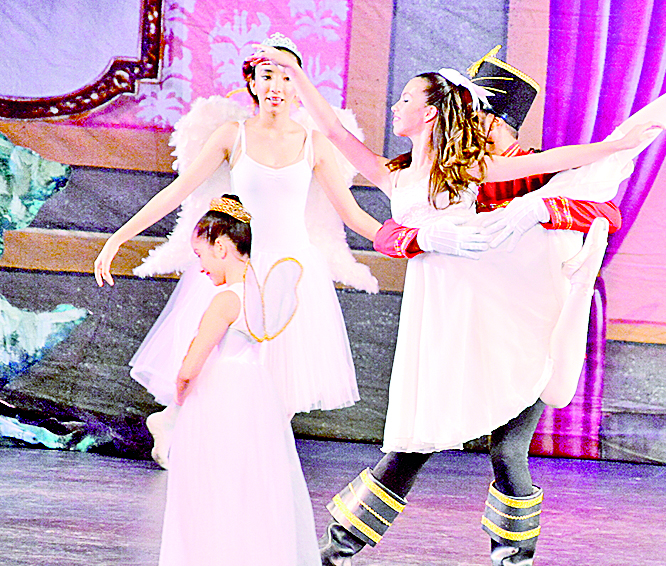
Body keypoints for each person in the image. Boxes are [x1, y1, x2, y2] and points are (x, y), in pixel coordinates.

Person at [259, 32, 666, 566]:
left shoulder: (473, 170)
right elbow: (340, 136)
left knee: (508, 450)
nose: (396, 107)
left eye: (407, 99)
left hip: (506, 305)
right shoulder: (402, 172)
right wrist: (295, 72)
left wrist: (618, 146)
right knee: (413, 443)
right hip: (443, 316)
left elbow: (564, 167)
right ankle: (335, 553)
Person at [92, 34, 479, 468]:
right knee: (217, 362)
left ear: (299, 85)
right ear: (253, 83)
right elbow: (178, 191)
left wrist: (414, 240)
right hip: (241, 269)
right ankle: (173, 419)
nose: (276, 85)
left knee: (282, 378)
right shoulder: (232, 135)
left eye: (285, 76)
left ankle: (250, 456)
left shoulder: (314, 143)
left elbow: (353, 214)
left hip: (295, 270)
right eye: (266, 75)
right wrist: (119, 237)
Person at [154, 195, 328, 566]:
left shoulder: (226, 298)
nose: (201, 266)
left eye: (202, 255)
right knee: (243, 506)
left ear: (222, 246)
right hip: (252, 399)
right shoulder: (258, 292)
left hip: (222, 402)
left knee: (218, 505)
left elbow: (192, 362)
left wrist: (180, 393)